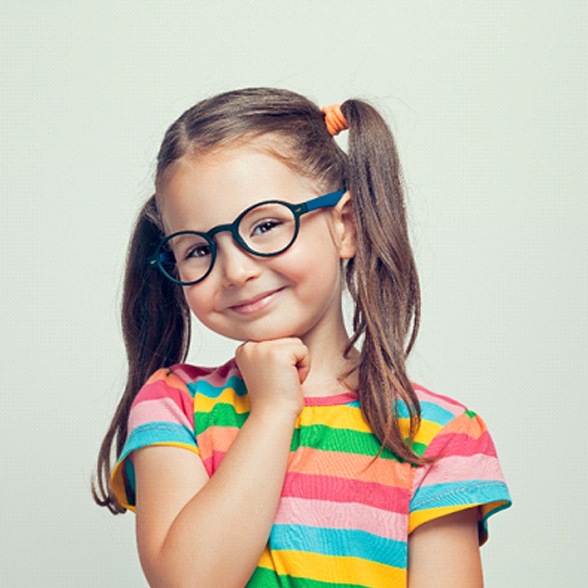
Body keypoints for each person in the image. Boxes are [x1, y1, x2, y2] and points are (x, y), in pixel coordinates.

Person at [93, 88, 511, 587]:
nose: (235, 270)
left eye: (266, 225)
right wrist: (272, 410)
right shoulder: (173, 406)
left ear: (346, 226)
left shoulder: (438, 437)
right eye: (198, 250)